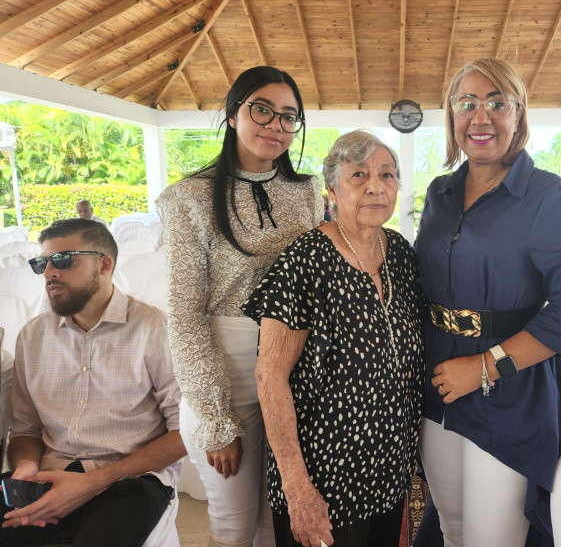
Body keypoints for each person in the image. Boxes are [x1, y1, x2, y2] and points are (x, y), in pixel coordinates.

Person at [415, 58, 561, 546]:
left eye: (498, 103)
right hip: (436, 388)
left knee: (492, 538)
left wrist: (484, 366)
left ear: (519, 115)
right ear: (451, 116)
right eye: (467, 104)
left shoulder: (549, 197)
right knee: (451, 527)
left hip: (508, 393)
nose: (481, 118)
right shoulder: (439, 192)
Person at [156, 66, 324, 547]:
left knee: (280, 521)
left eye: (289, 117)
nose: (276, 125)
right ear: (233, 115)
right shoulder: (188, 198)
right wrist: (214, 417)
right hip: (226, 375)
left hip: (294, 371)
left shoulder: (308, 192)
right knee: (234, 527)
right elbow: (184, 315)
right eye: (263, 110)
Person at [242, 130, 424, 547]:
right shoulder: (302, 264)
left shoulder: (400, 253)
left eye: (387, 174)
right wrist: (297, 487)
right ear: (332, 189)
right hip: (324, 475)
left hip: (388, 468)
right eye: (359, 175)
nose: (376, 186)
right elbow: (269, 377)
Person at [0, 218, 184, 547]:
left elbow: (185, 432)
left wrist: (94, 482)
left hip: (130, 478)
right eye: (42, 262)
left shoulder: (154, 329)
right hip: (50, 470)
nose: (49, 272)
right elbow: (25, 429)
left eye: (63, 259)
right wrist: (26, 468)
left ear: (104, 264)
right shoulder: (32, 336)